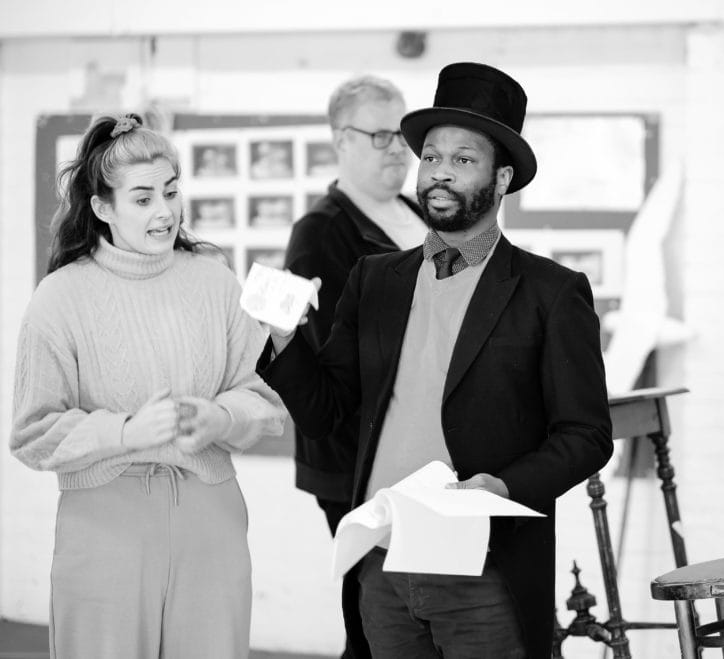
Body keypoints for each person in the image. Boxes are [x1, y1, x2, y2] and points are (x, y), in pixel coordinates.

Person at [261, 62, 613, 659]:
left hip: (486, 570)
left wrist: (503, 486)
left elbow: (586, 436)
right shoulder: (376, 279)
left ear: (502, 179)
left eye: (463, 159)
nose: (440, 172)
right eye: (430, 156)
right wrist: (283, 337)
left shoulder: (552, 292)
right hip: (382, 563)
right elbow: (326, 413)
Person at [10, 113, 287, 659]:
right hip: (103, 524)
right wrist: (126, 431)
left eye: (171, 192)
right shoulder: (60, 297)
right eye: (142, 199)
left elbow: (262, 396)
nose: (164, 211)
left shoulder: (214, 280)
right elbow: (32, 433)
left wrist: (220, 418)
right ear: (102, 208)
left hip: (210, 516)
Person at [284, 75, 426, 658]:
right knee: (375, 628)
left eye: (404, 134)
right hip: (357, 464)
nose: (399, 149)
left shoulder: (416, 212)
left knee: (423, 623)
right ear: (342, 139)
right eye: (381, 135)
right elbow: (332, 366)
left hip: (421, 454)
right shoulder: (321, 233)